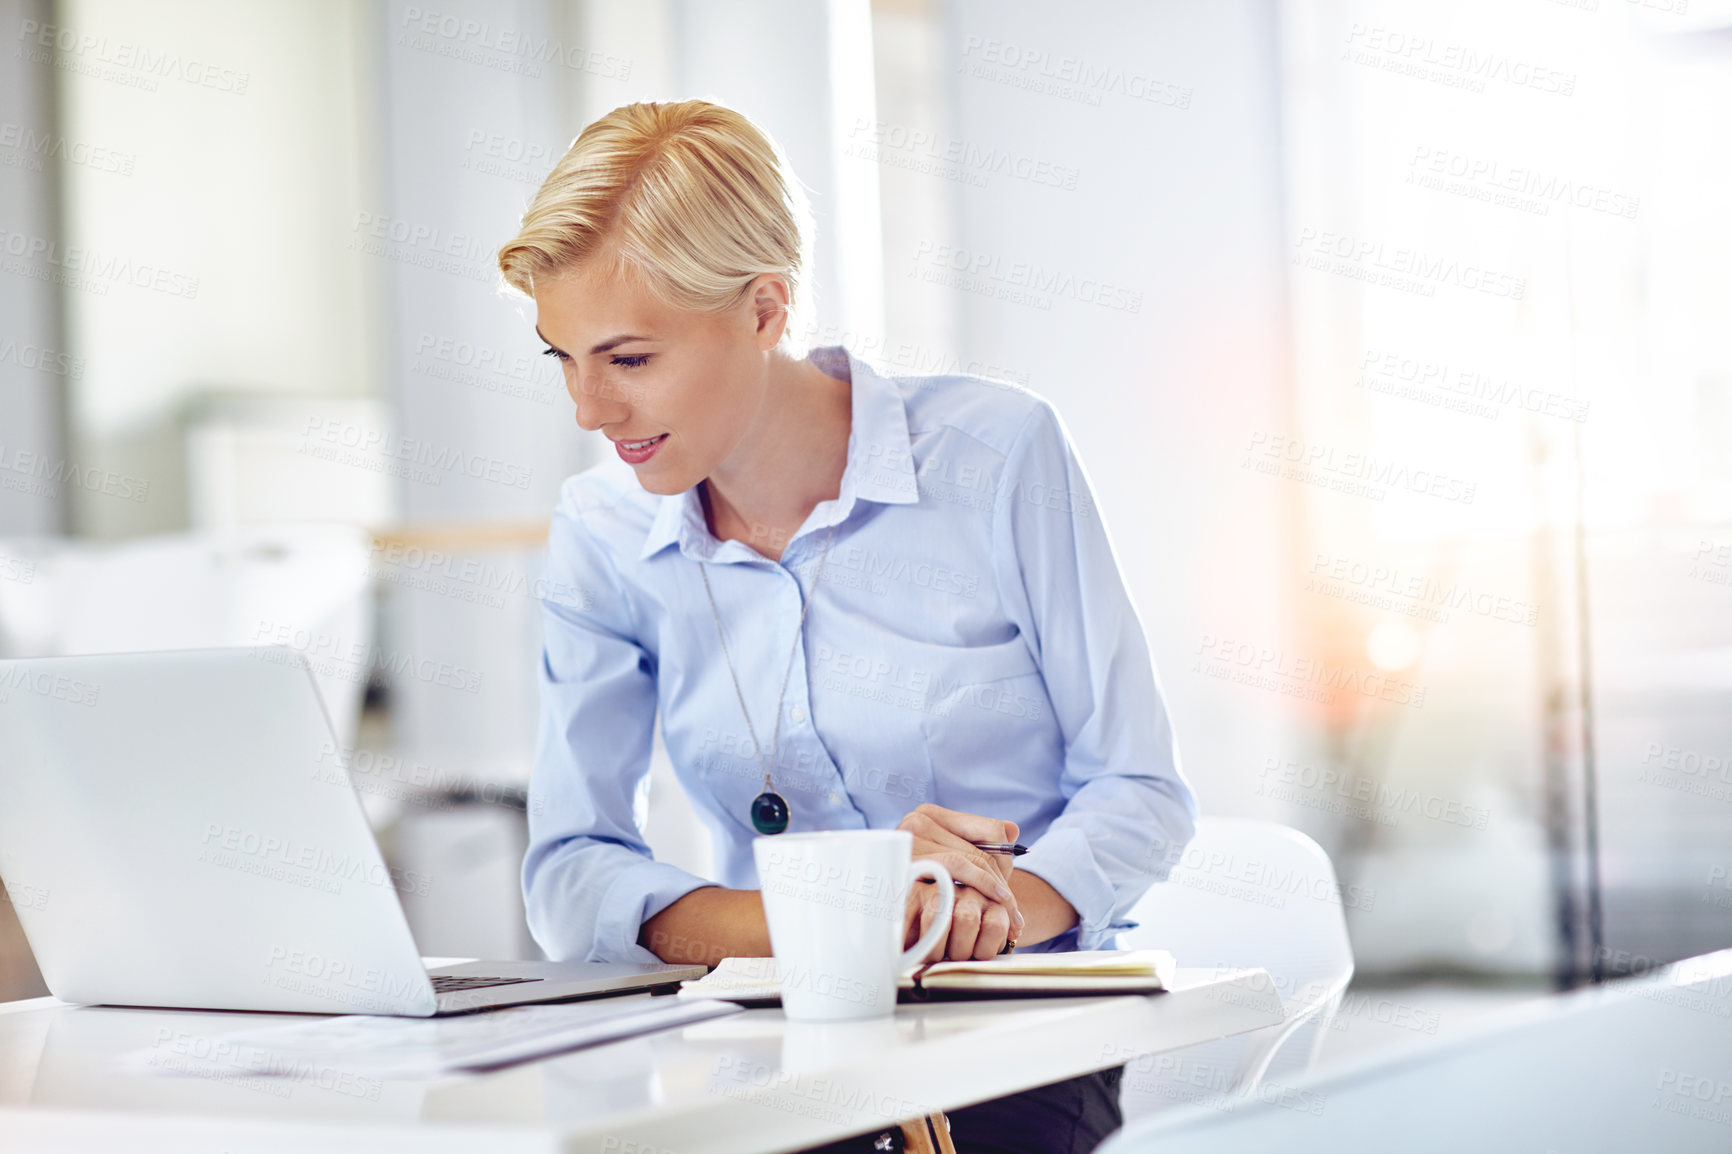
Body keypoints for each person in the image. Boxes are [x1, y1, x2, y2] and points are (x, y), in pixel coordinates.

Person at [497, 99, 1195, 1154]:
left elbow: (1137, 790)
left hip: (1009, 1029)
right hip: (767, 1038)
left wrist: (992, 906)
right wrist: (862, 909)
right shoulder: (601, 527)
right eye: (561, 357)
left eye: (628, 359)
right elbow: (572, 866)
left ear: (766, 309)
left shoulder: (996, 455)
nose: (589, 410)